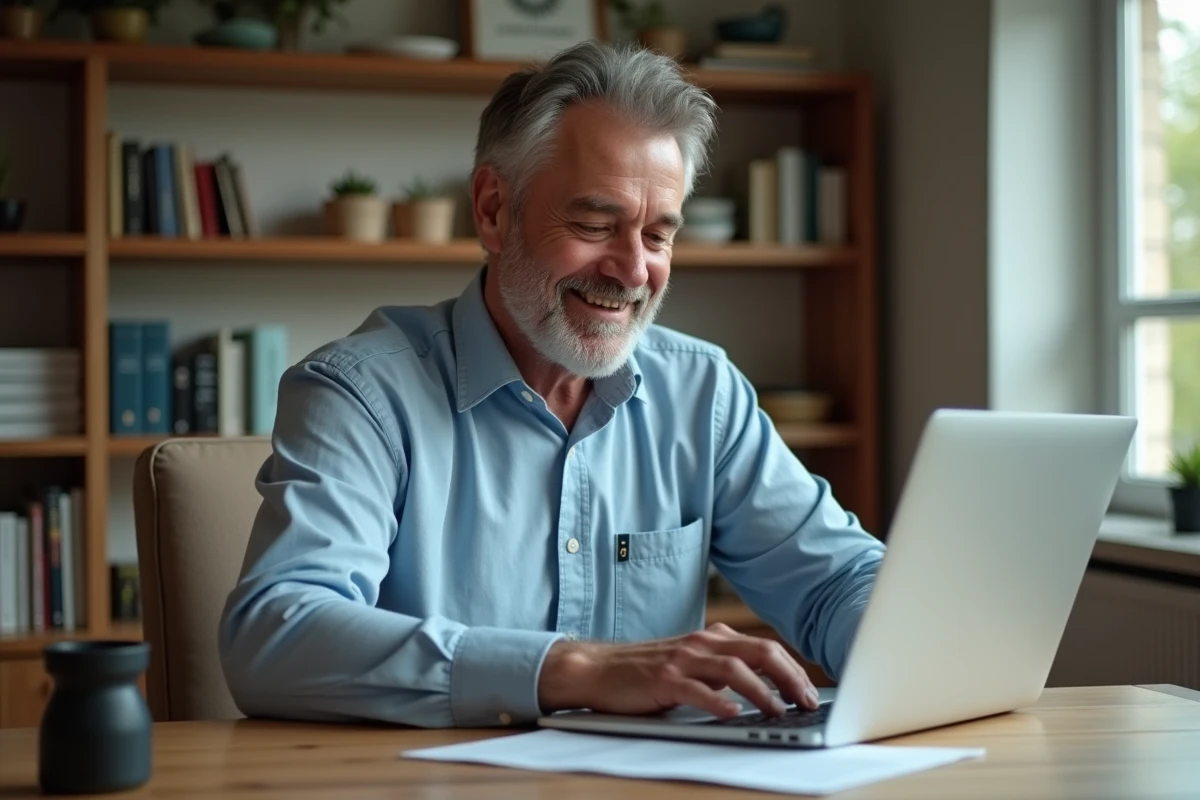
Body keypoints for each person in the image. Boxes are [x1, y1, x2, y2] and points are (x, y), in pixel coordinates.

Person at [217, 40, 886, 729]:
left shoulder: (703, 393)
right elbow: (275, 636)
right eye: (595, 225)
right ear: (493, 210)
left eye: (658, 236)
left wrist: (907, 645)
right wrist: (576, 670)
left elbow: (839, 580)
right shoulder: (361, 395)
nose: (633, 271)